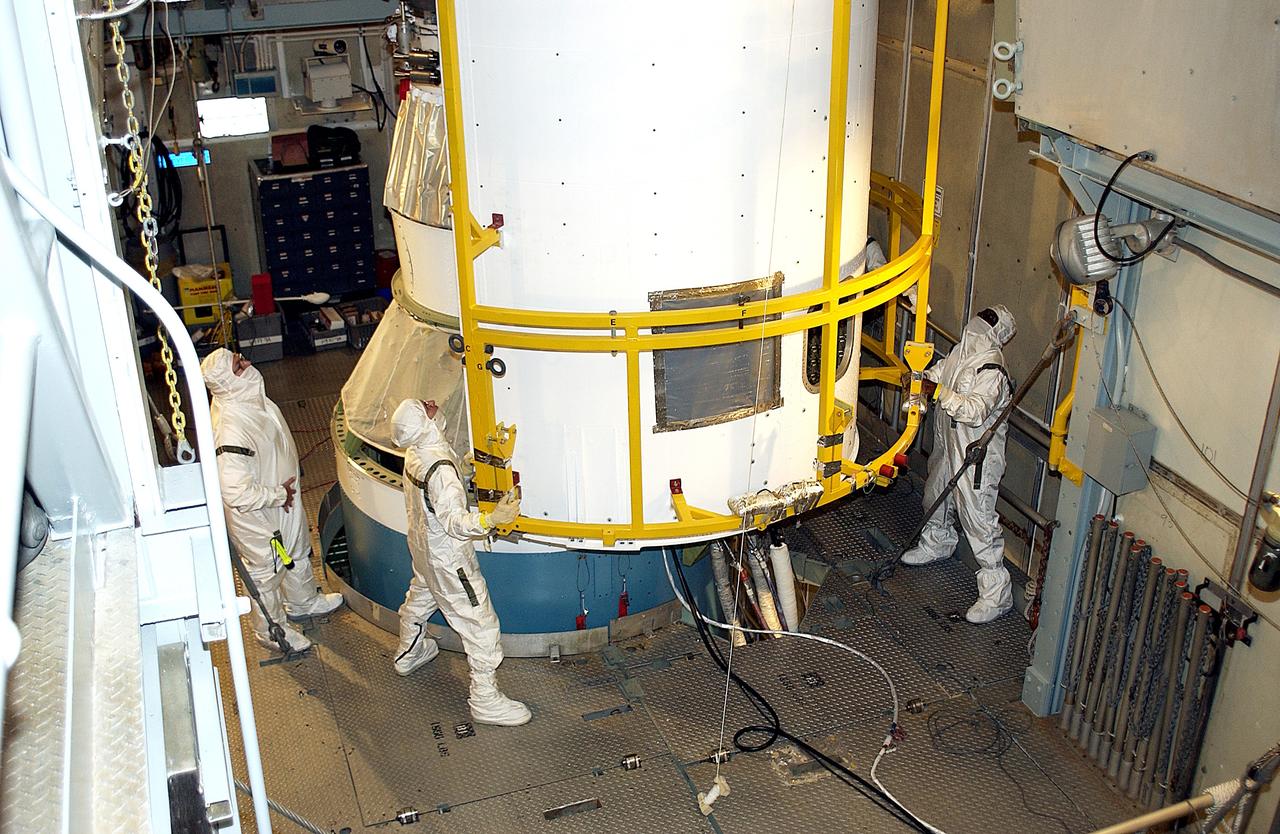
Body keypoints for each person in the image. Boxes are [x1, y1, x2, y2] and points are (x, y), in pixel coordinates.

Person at [390, 398, 530, 726]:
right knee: (481, 625)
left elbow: (431, 498)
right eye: (424, 408)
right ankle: (485, 699)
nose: (432, 403)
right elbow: (453, 521)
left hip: (425, 551)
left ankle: (408, 652)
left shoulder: (417, 453)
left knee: (420, 598)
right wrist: (491, 519)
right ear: (423, 424)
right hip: (450, 560)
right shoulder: (439, 468)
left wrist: (461, 471)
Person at [201, 348, 344, 653]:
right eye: (240, 365)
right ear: (228, 380)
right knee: (267, 572)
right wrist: (279, 494)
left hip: (282, 501)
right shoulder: (231, 428)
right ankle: (271, 632)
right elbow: (235, 492)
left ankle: (303, 602)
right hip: (260, 517)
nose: (249, 364)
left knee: (296, 550)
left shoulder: (249, 398)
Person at [900, 305, 1017, 624]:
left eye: (989, 321)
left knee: (978, 518)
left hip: (977, 456)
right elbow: (942, 372)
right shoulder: (961, 352)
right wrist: (921, 379)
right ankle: (937, 541)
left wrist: (936, 391)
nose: (980, 323)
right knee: (934, 495)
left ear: (997, 334)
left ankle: (997, 593)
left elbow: (975, 411)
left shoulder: (992, 370)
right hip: (948, 444)